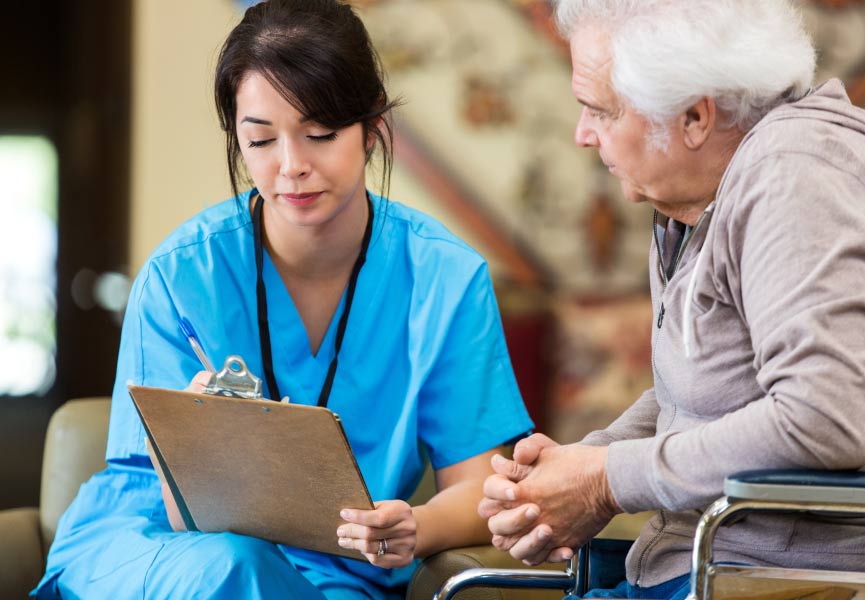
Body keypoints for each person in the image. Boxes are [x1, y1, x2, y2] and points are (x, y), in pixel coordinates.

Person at [34, 1, 533, 598]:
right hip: (156, 545)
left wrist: (417, 527)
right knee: (227, 565)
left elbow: (481, 486)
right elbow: (179, 511)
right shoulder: (181, 275)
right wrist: (194, 443)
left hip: (340, 568)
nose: (292, 167)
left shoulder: (445, 278)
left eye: (320, 134)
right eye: (261, 140)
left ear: (372, 129)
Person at [478, 1, 865, 598]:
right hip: (709, 561)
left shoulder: (797, 178)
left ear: (696, 118)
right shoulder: (703, 193)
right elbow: (714, 391)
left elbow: (823, 419)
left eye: (601, 110)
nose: (582, 134)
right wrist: (579, 466)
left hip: (782, 578)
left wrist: (606, 481)